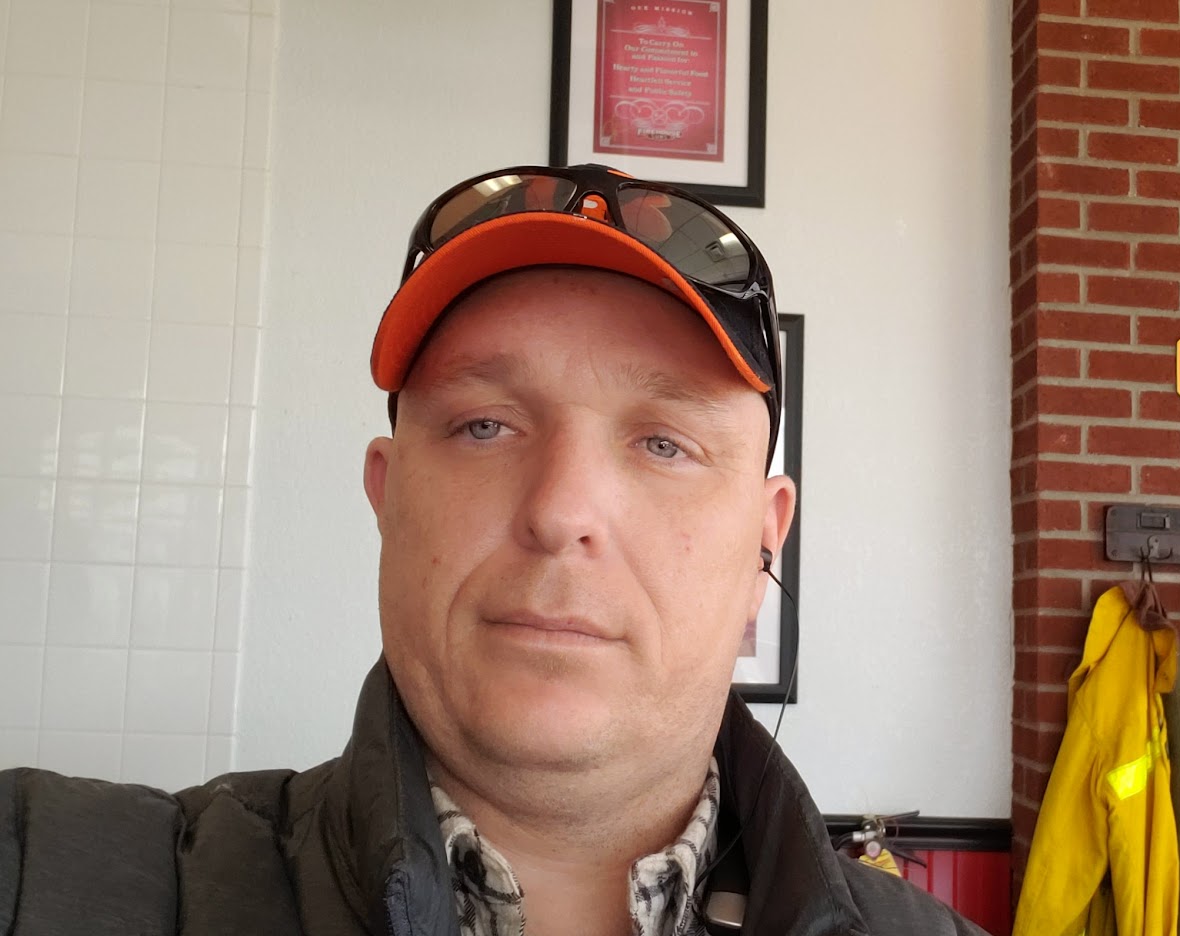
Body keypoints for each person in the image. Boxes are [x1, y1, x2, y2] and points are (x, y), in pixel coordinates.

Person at [0, 164, 984, 936]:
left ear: (764, 542)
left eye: (663, 444)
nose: (560, 511)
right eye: (484, 426)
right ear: (387, 495)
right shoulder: (40, 870)